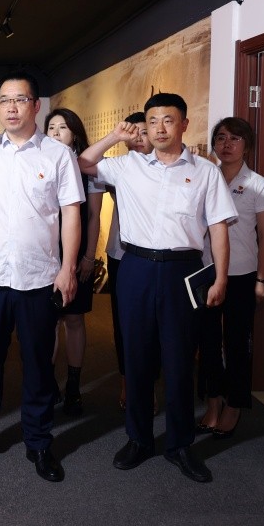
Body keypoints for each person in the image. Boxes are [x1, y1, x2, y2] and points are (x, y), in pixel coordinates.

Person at [79, 93, 237, 483]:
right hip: (135, 267)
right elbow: (82, 162)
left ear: (184, 124)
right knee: (136, 357)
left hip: (183, 270)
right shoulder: (127, 166)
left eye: (168, 120)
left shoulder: (206, 172)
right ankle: (139, 438)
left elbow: (219, 227)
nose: (160, 128)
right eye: (152, 121)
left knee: (180, 359)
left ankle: (180, 444)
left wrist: (220, 278)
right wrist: (115, 137)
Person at [0, 71, 84, 483]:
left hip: (38, 276)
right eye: (4, 100)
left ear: (36, 106)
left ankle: (39, 442)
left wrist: (68, 268)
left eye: (20, 99)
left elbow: (71, 213)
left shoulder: (58, 155)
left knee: (38, 363)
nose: (11, 107)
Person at [196, 117, 264, 439]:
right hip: (206, 270)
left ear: (247, 145)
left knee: (237, 342)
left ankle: (235, 403)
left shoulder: (258, 184)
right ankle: (213, 400)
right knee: (208, 341)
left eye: (235, 139)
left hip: (242, 273)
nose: (226, 144)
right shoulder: (203, 178)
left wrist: (263, 279)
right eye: (221, 138)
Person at [45, 108, 102, 416]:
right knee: (49, 320)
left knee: (75, 319)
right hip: (44, 253)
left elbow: (92, 217)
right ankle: (48, 383)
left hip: (77, 253)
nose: (55, 133)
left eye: (62, 127)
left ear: (75, 133)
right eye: (51, 127)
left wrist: (89, 256)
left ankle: (73, 386)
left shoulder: (87, 169)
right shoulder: (39, 162)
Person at [103, 112, 153, 411]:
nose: (139, 138)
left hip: (155, 259)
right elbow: (84, 161)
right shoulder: (118, 168)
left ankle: (149, 385)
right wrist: (114, 136)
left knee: (153, 326)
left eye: (144, 132)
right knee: (124, 324)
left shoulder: (170, 166)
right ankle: (127, 382)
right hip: (121, 255)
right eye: (133, 133)